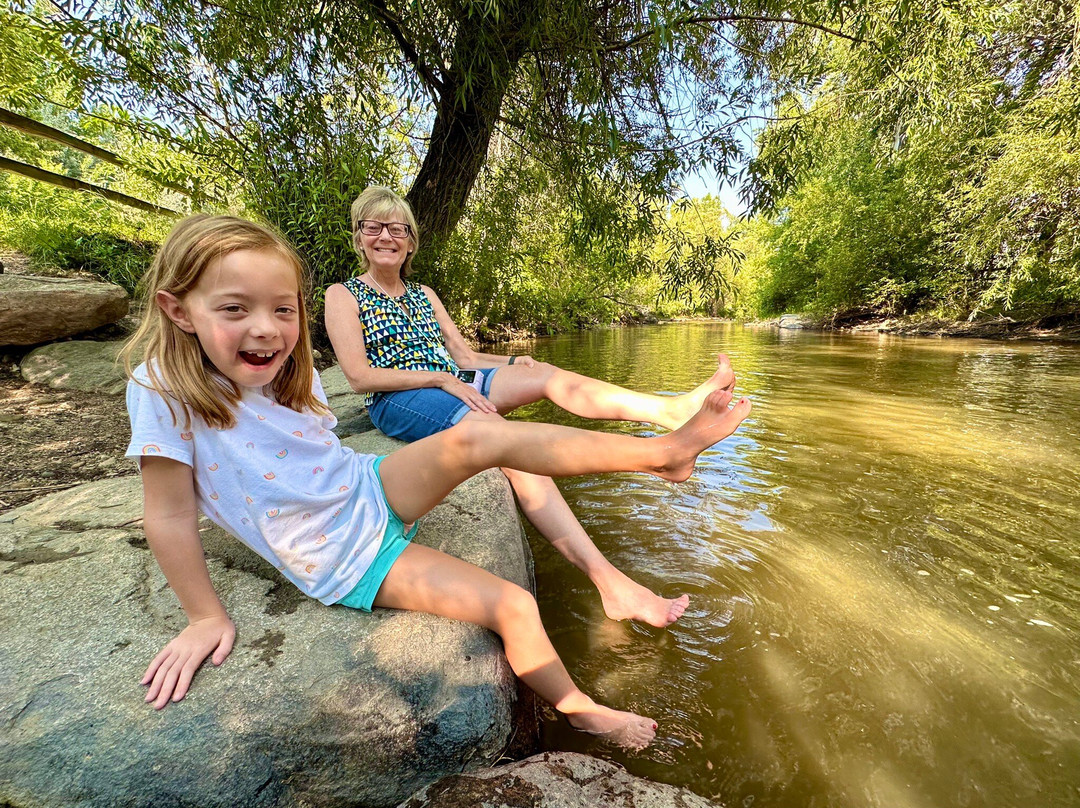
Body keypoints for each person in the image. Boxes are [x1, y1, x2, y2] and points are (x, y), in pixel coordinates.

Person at [120, 214, 752, 751]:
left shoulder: (290, 367)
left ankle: (662, 454)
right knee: (514, 605)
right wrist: (204, 617)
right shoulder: (163, 388)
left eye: (283, 310)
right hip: (343, 550)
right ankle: (579, 708)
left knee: (483, 436)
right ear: (178, 310)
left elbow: (320, 450)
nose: (266, 328)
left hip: (368, 484)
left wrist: (512, 363)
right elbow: (169, 515)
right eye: (235, 309)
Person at [325, 186, 738, 628]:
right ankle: (612, 583)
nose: (385, 236)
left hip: (456, 380)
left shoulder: (423, 293)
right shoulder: (343, 294)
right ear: (359, 237)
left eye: (397, 228)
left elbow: (464, 357)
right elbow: (360, 376)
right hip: (401, 397)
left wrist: (512, 362)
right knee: (509, 446)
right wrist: (440, 379)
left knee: (544, 374)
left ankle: (668, 412)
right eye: (374, 226)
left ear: (410, 241)